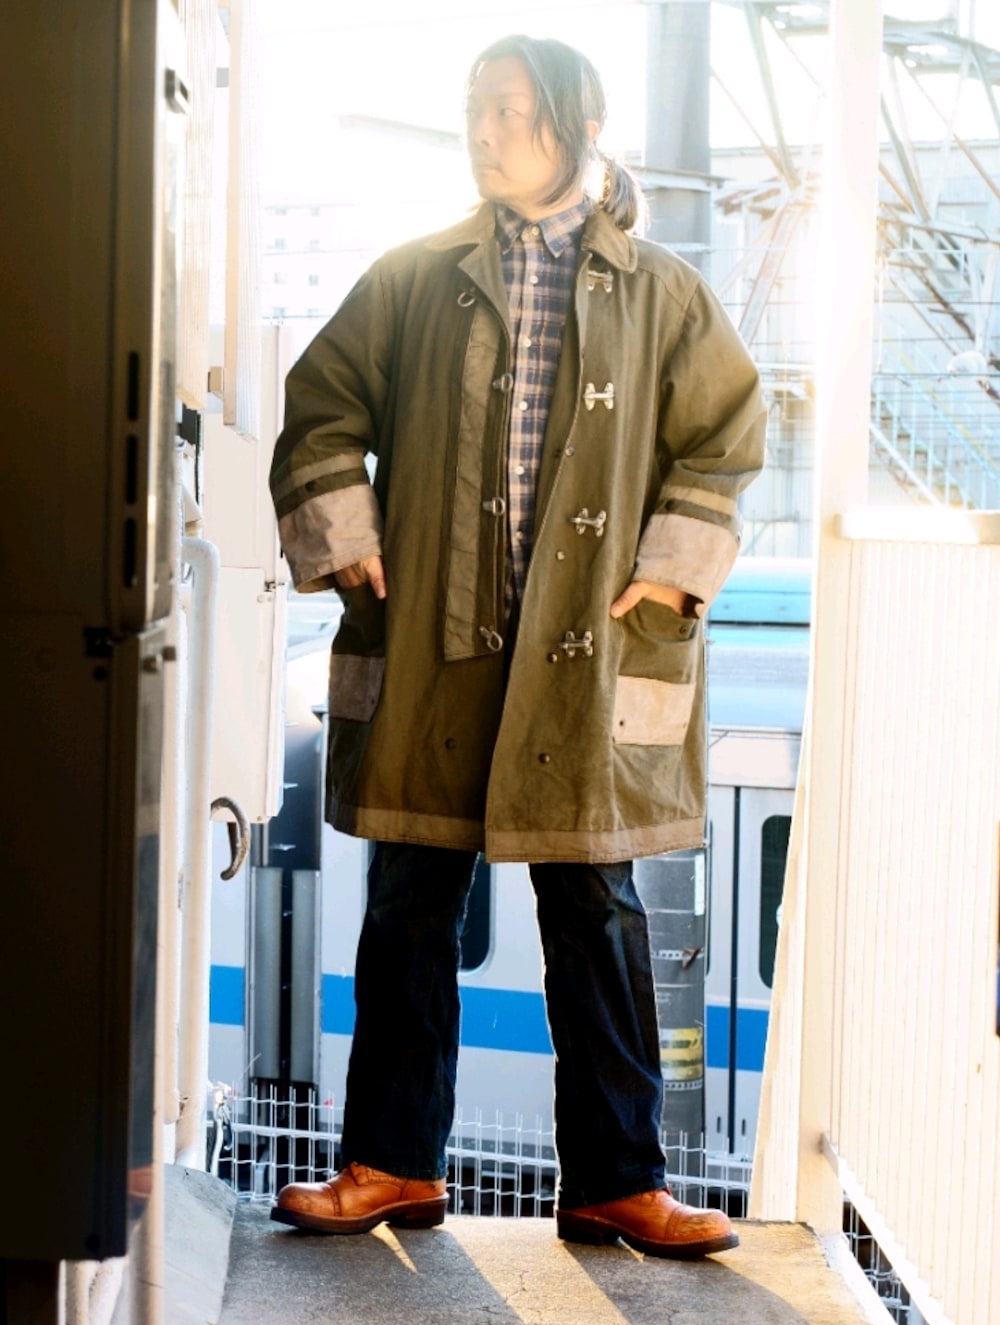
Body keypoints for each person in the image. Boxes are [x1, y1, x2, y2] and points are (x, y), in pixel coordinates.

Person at [268, 34, 766, 1259]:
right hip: (436, 638)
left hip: (588, 652)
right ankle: (390, 1163)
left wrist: (669, 565)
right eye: (474, 110)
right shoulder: (413, 276)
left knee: (596, 906)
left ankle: (618, 1180)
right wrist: (349, 539)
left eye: (509, 110)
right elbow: (320, 403)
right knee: (409, 899)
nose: (484, 133)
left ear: (578, 122)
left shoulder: (663, 293)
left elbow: (724, 435)